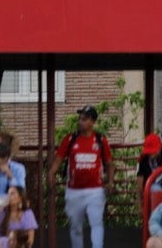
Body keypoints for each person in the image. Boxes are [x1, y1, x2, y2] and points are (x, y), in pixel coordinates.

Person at [54, 105, 112, 248]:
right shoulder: (70, 139)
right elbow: (58, 160)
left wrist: (110, 182)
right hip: (74, 191)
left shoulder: (100, 140)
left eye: (84, 119)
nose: (80, 122)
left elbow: (109, 164)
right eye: (80, 119)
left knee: (96, 223)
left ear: (92, 122)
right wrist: (51, 174)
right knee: (75, 227)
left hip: (95, 191)